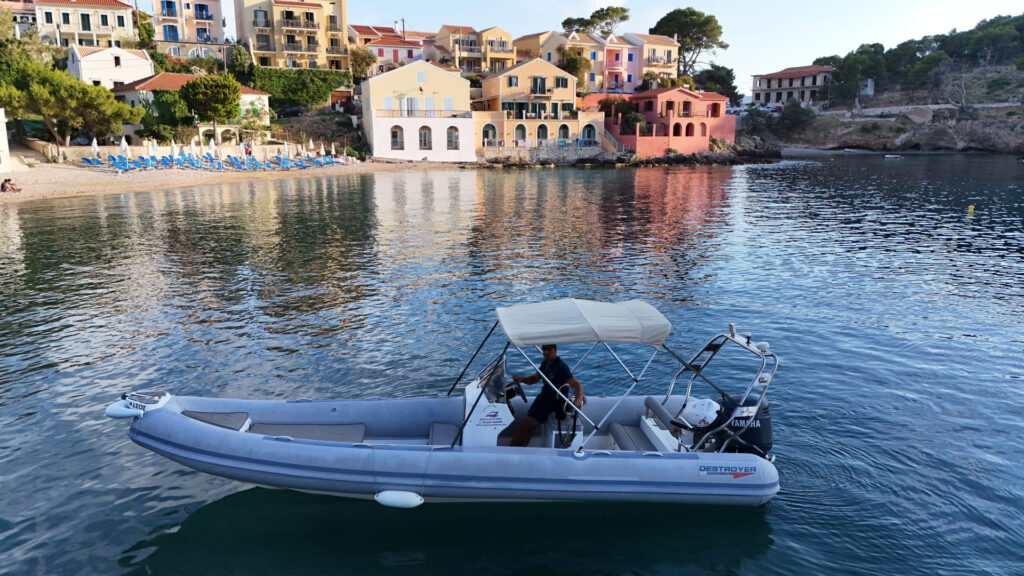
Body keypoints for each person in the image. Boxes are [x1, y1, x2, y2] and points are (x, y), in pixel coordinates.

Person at [509, 344, 584, 447]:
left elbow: (576, 384)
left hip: (553, 402)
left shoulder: (561, 367)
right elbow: (534, 379)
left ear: (555, 350)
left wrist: (578, 399)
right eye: (544, 349)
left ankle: (510, 451)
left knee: (523, 425)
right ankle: (521, 450)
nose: (546, 352)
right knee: (529, 427)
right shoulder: (545, 363)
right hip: (543, 398)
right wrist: (521, 379)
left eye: (549, 349)